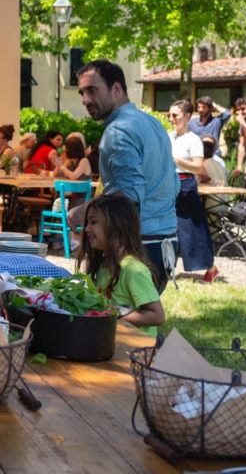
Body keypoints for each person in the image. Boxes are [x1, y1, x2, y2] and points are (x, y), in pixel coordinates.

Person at [76, 59, 179, 293]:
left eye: (92, 90)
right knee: (135, 326)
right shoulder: (152, 123)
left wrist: (85, 211)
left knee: (117, 326)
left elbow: (128, 196)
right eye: (82, 93)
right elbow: (174, 185)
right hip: (166, 244)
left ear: (117, 89)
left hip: (137, 247)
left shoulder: (118, 131)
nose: (85, 100)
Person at [77, 194, 166, 335]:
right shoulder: (104, 265)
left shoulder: (133, 270)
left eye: (93, 222)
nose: (87, 229)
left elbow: (157, 316)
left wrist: (114, 314)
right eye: (87, 223)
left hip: (137, 349)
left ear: (117, 226)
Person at [168, 100, 217, 283]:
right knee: (169, 228)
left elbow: (198, 167)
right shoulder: (169, 136)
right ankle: (165, 267)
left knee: (193, 230)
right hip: (169, 186)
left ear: (187, 116)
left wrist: (178, 161)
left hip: (186, 186)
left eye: (175, 115)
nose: (171, 119)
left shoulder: (194, 139)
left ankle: (211, 268)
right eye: (170, 115)